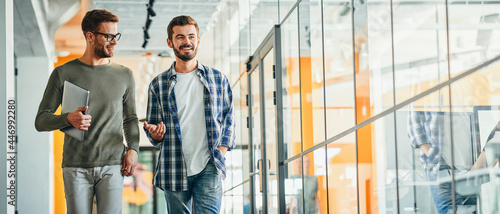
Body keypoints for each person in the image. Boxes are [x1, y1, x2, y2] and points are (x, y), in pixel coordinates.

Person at [34, 9, 139, 214]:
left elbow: (131, 118)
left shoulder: (125, 75)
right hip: (75, 166)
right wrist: (67, 118)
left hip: (112, 164)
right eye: (108, 36)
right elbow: (41, 120)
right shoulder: (63, 73)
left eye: (116, 36)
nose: (114, 41)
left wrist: (133, 149)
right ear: (90, 36)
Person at [143, 15, 235, 214]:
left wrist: (220, 151)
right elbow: (153, 131)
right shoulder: (158, 85)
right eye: (180, 37)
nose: (187, 42)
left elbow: (229, 120)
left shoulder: (217, 79)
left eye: (191, 36)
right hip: (173, 166)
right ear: (170, 42)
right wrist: (155, 135)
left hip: (209, 165)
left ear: (198, 40)